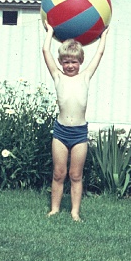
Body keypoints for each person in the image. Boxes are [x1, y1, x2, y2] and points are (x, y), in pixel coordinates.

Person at [42, 21, 109, 221]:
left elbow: (99, 55)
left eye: (74, 62)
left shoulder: (85, 76)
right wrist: (50, 31)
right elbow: (45, 51)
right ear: (61, 62)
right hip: (61, 132)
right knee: (59, 173)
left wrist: (103, 36)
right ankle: (54, 209)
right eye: (66, 62)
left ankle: (75, 212)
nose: (70, 66)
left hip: (79, 133)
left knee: (76, 175)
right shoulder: (58, 77)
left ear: (80, 62)